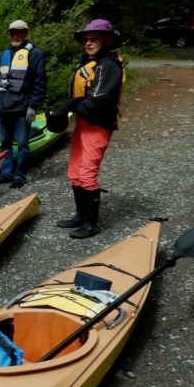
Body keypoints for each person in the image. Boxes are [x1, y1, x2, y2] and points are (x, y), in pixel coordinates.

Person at [53, 19, 125, 239]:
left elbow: (96, 102)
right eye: (86, 40)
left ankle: (91, 225)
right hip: (84, 123)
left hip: (98, 125)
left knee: (86, 173)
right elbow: (77, 94)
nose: (88, 43)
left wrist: (71, 105)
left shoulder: (109, 66)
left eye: (93, 39)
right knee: (75, 171)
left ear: (107, 40)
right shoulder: (88, 63)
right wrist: (60, 108)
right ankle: (80, 216)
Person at [0, 19, 47, 188]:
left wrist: (33, 106)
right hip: (3, 107)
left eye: (19, 32)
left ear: (25, 33)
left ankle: (20, 175)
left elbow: (40, 82)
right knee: (4, 143)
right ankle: (6, 173)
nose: (15, 36)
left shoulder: (35, 54)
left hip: (22, 108)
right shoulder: (4, 54)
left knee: (22, 143)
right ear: (9, 35)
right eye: (12, 33)